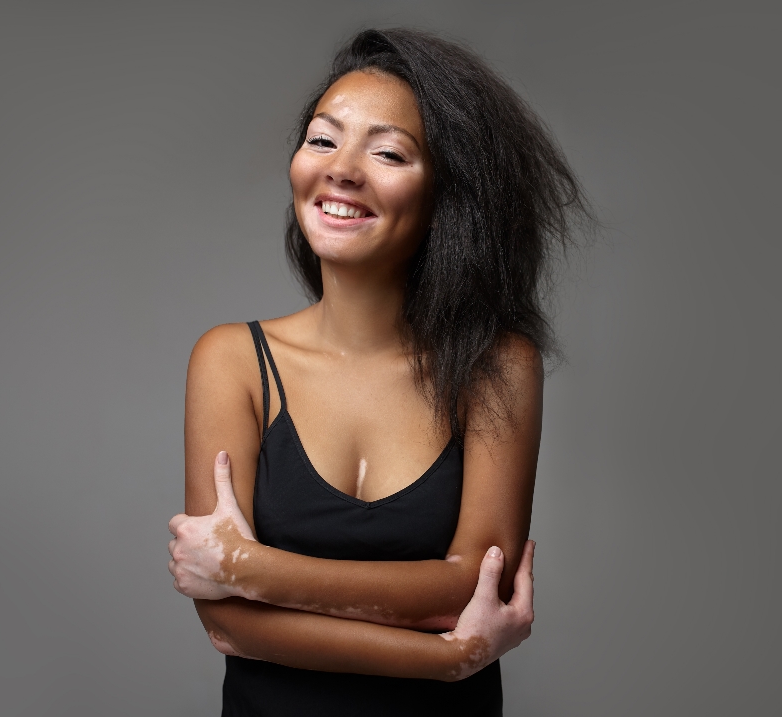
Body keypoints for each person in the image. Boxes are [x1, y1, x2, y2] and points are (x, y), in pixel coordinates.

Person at [166, 28, 590, 716]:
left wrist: (250, 568)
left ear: (447, 196)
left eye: (388, 151)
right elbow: (227, 622)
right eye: (322, 139)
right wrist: (448, 658)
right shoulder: (232, 360)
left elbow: (468, 587)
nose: (341, 169)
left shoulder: (497, 366)